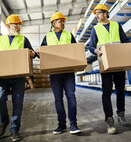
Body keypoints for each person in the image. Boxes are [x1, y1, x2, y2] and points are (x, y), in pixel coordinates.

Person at [89, 4, 129, 134]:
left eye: (99, 13)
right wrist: (96, 50)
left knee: (120, 90)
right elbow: (90, 46)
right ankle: (109, 119)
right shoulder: (95, 29)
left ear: (106, 13)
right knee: (106, 92)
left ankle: (121, 114)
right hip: (105, 64)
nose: (97, 16)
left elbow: (125, 41)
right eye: (96, 14)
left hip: (119, 63)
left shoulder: (116, 26)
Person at [40, 12, 80, 135]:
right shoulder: (47, 37)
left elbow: (76, 50)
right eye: (60, 21)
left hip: (68, 72)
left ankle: (73, 124)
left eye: (63, 21)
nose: (63, 23)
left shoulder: (69, 35)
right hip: (54, 74)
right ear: (53, 23)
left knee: (71, 97)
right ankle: (61, 125)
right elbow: (42, 52)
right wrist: (36, 52)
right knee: (58, 99)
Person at [0, 14, 36, 142]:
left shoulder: (23, 39)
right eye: (16, 24)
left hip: (19, 77)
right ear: (9, 26)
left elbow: (33, 53)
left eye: (19, 25)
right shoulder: (1, 39)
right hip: (2, 77)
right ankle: (3, 121)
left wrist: (33, 53)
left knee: (18, 103)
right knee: (0, 98)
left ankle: (14, 130)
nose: (18, 27)